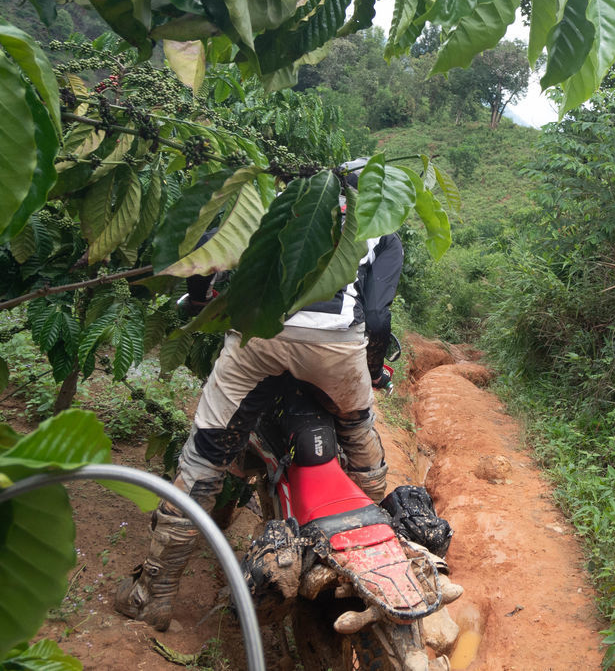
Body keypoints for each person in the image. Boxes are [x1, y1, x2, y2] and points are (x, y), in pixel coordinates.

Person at [115, 160, 404, 631]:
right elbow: (376, 316)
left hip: (260, 340)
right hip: (337, 350)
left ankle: (154, 593)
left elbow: (209, 253)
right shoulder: (383, 229)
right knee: (360, 439)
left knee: (204, 460)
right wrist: (370, 372)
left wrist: (200, 299)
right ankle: (366, 545)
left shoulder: (276, 204)